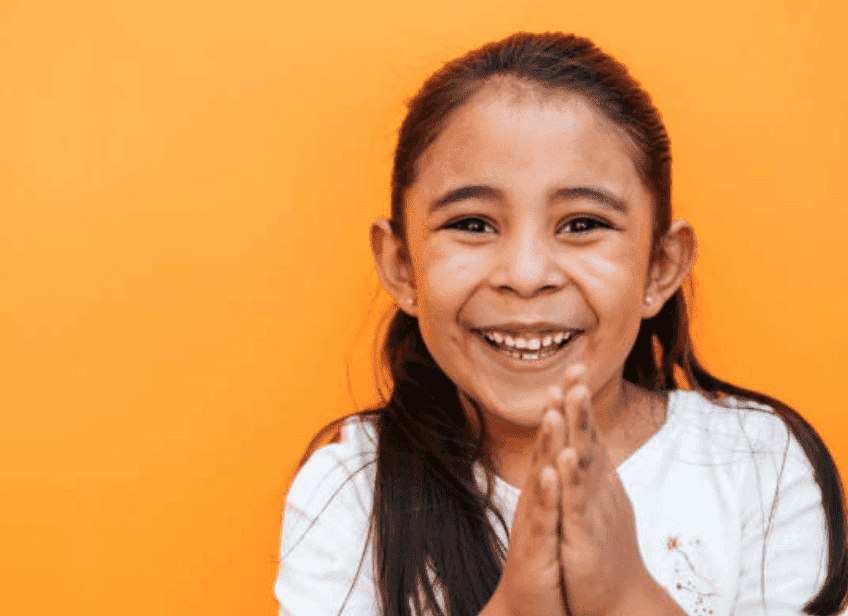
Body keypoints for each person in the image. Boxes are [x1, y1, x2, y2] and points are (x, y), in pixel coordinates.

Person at [273, 32, 848, 616]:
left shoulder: (757, 462)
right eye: (472, 224)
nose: (525, 275)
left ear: (659, 267)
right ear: (401, 267)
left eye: (580, 224)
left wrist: (627, 595)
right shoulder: (349, 493)